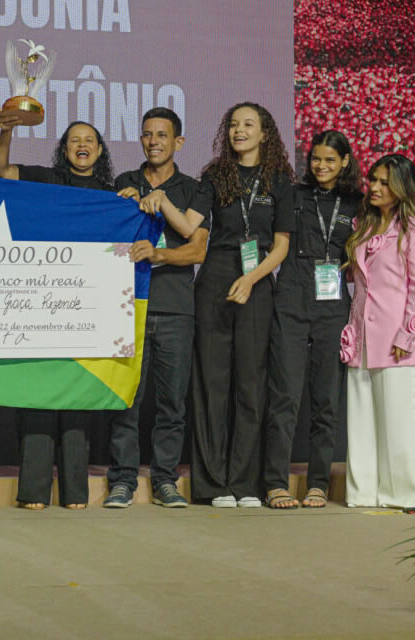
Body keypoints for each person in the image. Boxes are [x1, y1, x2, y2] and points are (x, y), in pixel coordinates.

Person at [157, 102, 294, 508]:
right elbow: (187, 226)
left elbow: (282, 245)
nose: (239, 131)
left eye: (248, 125)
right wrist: (160, 200)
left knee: (250, 386)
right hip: (215, 281)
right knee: (212, 386)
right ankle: (214, 484)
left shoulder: (279, 180)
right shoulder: (216, 175)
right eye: (233, 124)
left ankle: (245, 483)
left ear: (264, 133)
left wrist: (251, 280)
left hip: (256, 283)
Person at [0, 115, 115, 508]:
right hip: (42, 304)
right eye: (74, 140)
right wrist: (7, 130)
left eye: (90, 140)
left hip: (88, 308)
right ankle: (32, 490)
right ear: (64, 149)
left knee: (77, 397)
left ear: (99, 150)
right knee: (39, 396)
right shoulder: (45, 179)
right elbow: (0, 171)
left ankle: (76, 491)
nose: (82, 145)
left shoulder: (112, 194)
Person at [103, 108, 208, 509]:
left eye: (162, 135)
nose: (154, 142)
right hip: (128, 306)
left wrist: (159, 254)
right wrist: (121, 206)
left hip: (176, 309)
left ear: (178, 142)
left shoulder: (194, 189)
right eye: (147, 135)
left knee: (171, 404)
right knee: (127, 399)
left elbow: (196, 249)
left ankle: (166, 481)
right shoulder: (125, 182)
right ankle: (122, 481)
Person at [263, 131, 362, 509]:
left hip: (333, 303)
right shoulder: (293, 194)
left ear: (345, 162)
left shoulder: (356, 203)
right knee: (284, 397)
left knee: (326, 402)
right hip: (291, 296)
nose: (321, 166)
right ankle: (275, 483)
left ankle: (318, 483)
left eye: (330, 160)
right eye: (317, 159)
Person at [341, 153, 415, 510]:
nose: (375, 188)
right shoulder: (364, 225)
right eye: (373, 180)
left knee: (400, 423)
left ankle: (406, 494)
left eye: (384, 183)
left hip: (398, 341)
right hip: (362, 337)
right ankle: (363, 493)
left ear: (401, 188)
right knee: (361, 423)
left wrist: (407, 337)